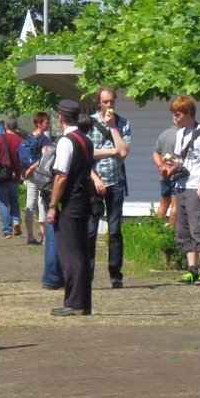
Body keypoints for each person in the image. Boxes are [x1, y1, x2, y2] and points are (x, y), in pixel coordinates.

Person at [48, 99, 96, 317]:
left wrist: (52, 205)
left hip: (71, 201)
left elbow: (61, 176)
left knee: (70, 253)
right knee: (82, 252)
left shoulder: (66, 141)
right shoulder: (86, 140)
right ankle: (83, 301)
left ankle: (75, 302)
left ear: (60, 117)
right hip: (84, 199)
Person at [168, 95, 200, 285]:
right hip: (181, 186)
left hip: (196, 186)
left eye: (178, 114)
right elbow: (181, 160)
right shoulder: (180, 134)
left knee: (198, 227)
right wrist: (171, 164)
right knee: (183, 229)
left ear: (188, 113)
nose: (175, 117)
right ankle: (191, 269)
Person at [86, 86, 131, 289]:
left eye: (111, 101)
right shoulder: (90, 123)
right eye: (105, 102)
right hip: (94, 181)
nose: (109, 105)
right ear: (99, 102)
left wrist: (113, 128)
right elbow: (86, 154)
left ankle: (115, 273)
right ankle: (88, 273)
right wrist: (112, 151)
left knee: (114, 230)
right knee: (90, 229)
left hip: (116, 181)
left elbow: (124, 153)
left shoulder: (123, 123)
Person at [19, 112, 51, 245]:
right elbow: (44, 158)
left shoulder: (28, 137)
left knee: (30, 204)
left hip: (28, 175)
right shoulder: (44, 140)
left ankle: (30, 236)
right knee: (42, 203)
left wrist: (28, 169)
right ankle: (44, 237)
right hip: (40, 174)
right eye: (46, 122)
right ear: (39, 123)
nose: (49, 125)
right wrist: (33, 167)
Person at [0, 117, 23, 239]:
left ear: (5, 126)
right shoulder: (20, 140)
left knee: (3, 202)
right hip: (15, 176)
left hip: (2, 175)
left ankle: (7, 231)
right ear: (16, 127)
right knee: (14, 199)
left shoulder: (0, 138)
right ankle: (16, 221)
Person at [153, 124, 180, 227]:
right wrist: (171, 171)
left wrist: (161, 166)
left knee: (163, 204)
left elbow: (156, 153)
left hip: (164, 176)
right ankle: (172, 231)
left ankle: (157, 229)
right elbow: (181, 159)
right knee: (175, 205)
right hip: (176, 176)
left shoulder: (164, 134)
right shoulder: (182, 135)